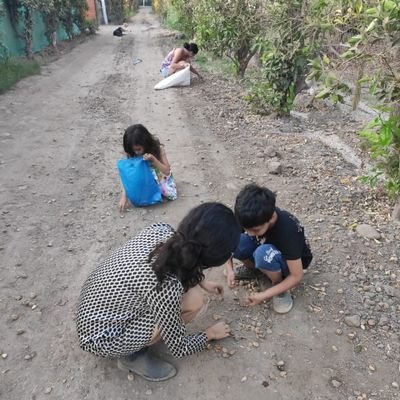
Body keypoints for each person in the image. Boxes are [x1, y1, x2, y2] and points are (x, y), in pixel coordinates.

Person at [76, 203, 241, 381]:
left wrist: (201, 280)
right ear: (215, 259)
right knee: (193, 303)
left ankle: (147, 337)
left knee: (190, 297)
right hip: (101, 337)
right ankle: (131, 356)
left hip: (93, 306)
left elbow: (181, 261)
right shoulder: (167, 288)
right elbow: (179, 348)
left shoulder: (161, 230)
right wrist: (210, 334)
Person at [224, 184, 313, 314]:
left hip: (289, 264)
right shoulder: (249, 218)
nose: (249, 233)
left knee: (263, 254)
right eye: (246, 228)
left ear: (271, 218)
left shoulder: (288, 230)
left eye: (255, 230)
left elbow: (297, 275)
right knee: (238, 241)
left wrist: (264, 295)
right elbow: (228, 242)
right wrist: (229, 268)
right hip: (267, 248)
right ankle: (254, 270)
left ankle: (279, 285)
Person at [118, 124, 176, 212]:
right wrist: (124, 196)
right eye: (133, 150)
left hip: (159, 178)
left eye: (138, 149)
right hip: (143, 178)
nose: (136, 153)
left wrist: (154, 160)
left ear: (145, 143)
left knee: (166, 192)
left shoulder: (158, 149)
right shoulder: (132, 153)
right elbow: (127, 177)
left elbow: (167, 171)